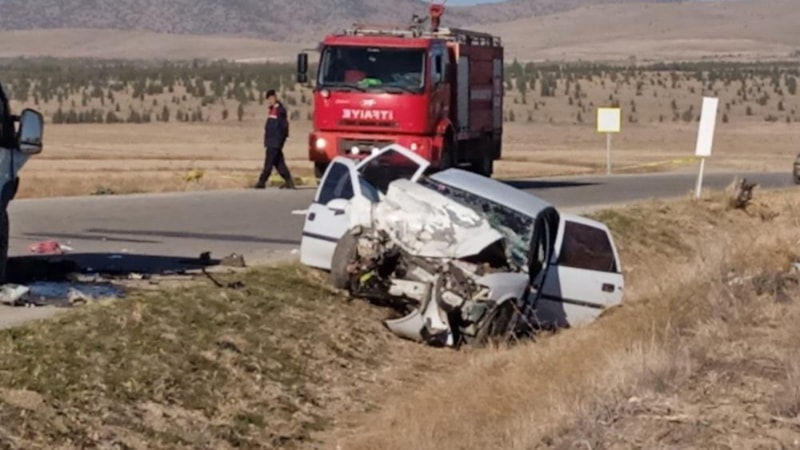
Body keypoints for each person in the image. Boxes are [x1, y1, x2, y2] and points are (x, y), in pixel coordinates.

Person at [255, 89, 295, 189]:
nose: (270, 101)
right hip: (271, 141)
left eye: (271, 98)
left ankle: (261, 181)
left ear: (275, 98)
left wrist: (281, 141)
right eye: (268, 99)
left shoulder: (280, 111)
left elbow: (284, 127)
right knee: (279, 163)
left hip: (275, 142)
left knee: (268, 162)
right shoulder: (272, 110)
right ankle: (289, 181)